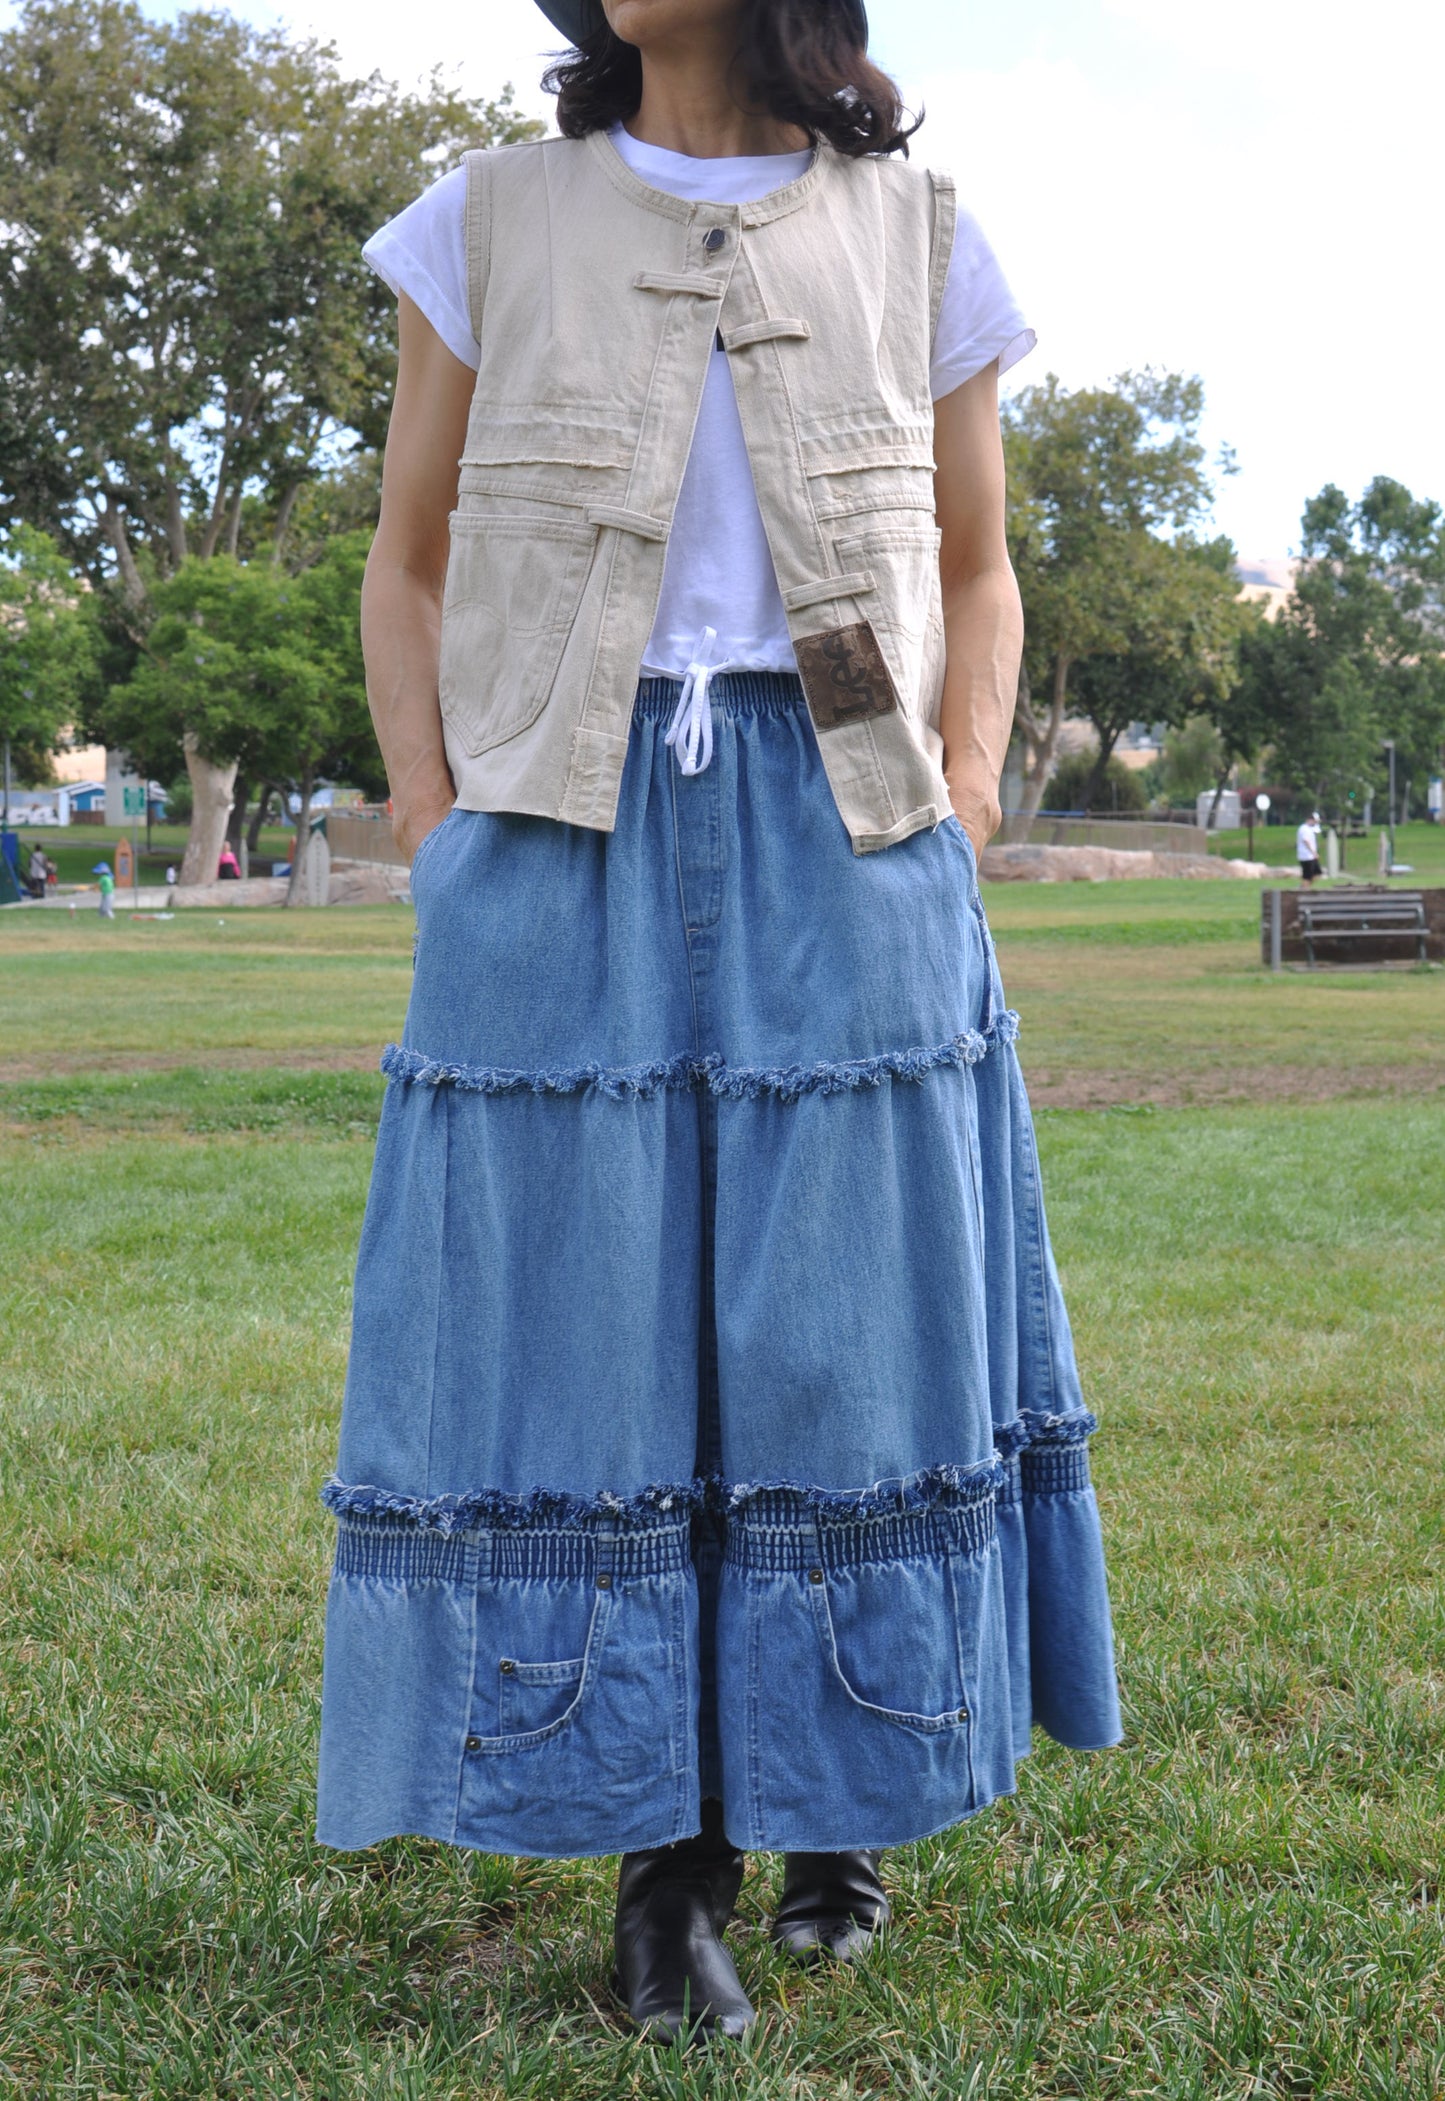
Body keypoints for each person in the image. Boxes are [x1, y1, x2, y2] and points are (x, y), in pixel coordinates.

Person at [316, 0, 1122, 2048]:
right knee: (592, 1339)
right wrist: (432, 820)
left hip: (840, 816)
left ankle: (834, 1793)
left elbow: (974, 554)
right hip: (554, 823)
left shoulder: (916, 228)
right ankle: (661, 1870)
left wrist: (955, 776)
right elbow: (402, 563)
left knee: (837, 1329)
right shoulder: (482, 220)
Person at [1296, 810, 1324, 886]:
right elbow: (1306, 841)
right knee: (1307, 877)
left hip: (1311, 857)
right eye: (1315, 821)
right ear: (1310, 819)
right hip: (1306, 857)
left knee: (1317, 874)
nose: (1315, 823)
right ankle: (1302, 889)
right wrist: (1314, 853)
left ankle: (1304, 887)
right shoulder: (1303, 829)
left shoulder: (1310, 829)